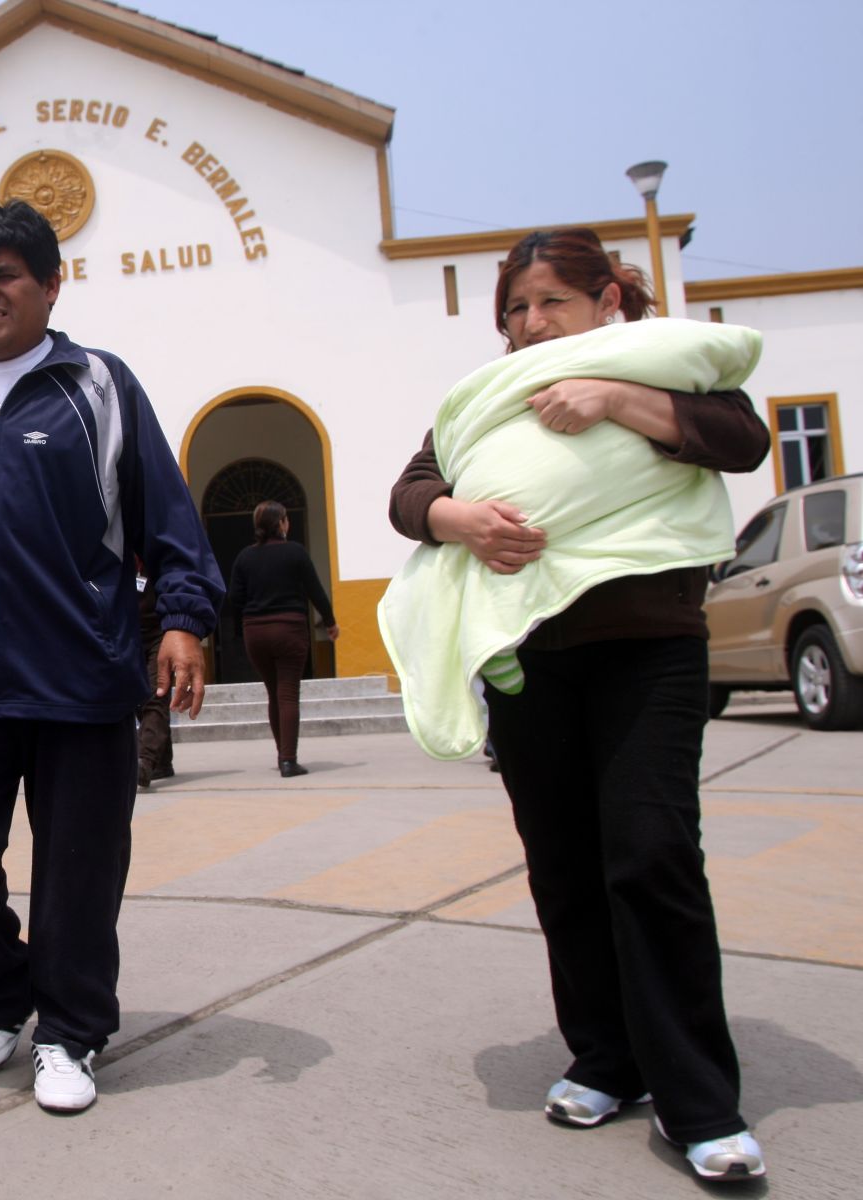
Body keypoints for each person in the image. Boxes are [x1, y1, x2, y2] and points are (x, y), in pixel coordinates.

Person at [389, 227, 769, 1182]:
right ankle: (606, 1057)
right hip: (532, 663)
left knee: (651, 855)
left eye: (550, 302)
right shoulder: (490, 397)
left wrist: (617, 398)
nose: (528, 324)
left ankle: (701, 1103)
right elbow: (410, 491)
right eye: (514, 310)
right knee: (563, 868)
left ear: (608, 302)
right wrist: (456, 517)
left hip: (648, 649)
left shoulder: (658, 365)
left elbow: (740, 437)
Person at [0, 201, 223, 1114]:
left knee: (79, 868)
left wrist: (183, 616)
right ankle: (1, 995)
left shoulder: (98, 385)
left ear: (50, 284)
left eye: (4, 275)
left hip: (79, 675)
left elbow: (165, 515)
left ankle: (69, 1031)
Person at [225, 500, 338, 777]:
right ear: (280, 523)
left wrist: (245, 625)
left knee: (274, 693)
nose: (288, 523)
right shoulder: (295, 553)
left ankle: (282, 755)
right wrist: (331, 623)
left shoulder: (244, 558)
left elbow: (234, 600)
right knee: (288, 694)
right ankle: (288, 760)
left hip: (256, 633)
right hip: (290, 629)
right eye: (286, 519)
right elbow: (316, 591)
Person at [134, 569, 173, 788]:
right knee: (140, 698)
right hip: (131, 632)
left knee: (157, 694)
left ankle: (146, 759)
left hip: (162, 632)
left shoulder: (155, 553)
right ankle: (162, 762)